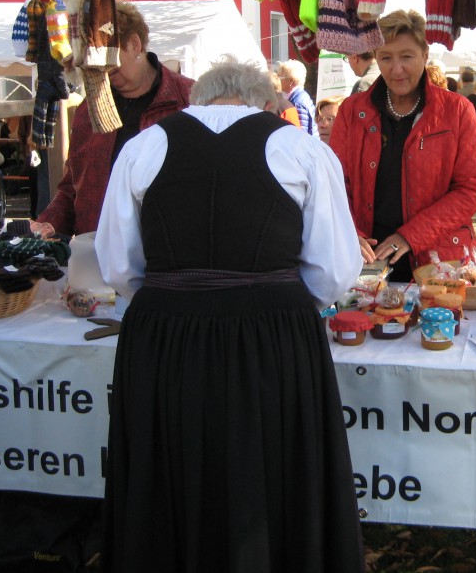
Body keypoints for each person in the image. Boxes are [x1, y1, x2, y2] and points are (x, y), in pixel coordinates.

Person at [96, 60, 364, 573]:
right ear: (265, 102)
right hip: (274, 336)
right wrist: (275, 300)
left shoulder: (142, 147)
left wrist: (177, 295)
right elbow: (334, 271)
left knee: (168, 474)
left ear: (198, 100)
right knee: (272, 476)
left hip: (166, 336)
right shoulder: (302, 148)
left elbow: (119, 266)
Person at [329, 9, 476, 284]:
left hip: (440, 260)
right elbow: (334, 183)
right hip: (368, 262)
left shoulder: (457, 110)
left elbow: (471, 189)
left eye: (406, 56)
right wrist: (350, 232)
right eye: (386, 57)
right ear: (376, 57)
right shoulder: (352, 111)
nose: (396, 68)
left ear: (425, 55)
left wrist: (410, 235)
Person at [33, 2, 193, 237]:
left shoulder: (189, 99)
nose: (102, 71)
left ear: (135, 44)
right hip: (100, 248)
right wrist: (47, 223)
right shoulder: (88, 108)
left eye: (107, 59)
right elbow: (72, 187)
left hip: (170, 250)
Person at [277, 59, 318, 137]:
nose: (278, 80)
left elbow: (302, 133)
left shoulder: (298, 102)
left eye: (280, 77)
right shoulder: (297, 97)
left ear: (291, 81)